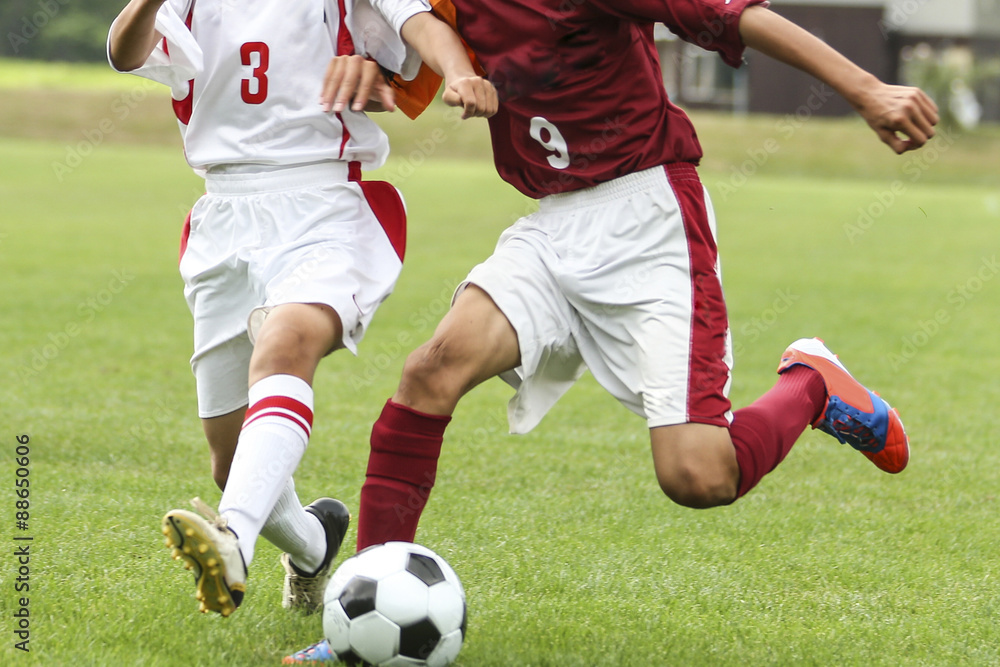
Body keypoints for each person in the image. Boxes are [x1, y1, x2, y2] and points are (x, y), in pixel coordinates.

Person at [286, 0, 939, 658]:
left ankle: (814, 385)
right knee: (431, 370)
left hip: (649, 219)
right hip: (554, 224)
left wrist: (869, 88)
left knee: (698, 475)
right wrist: (364, 70)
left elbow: (736, 16)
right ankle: (357, 617)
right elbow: (401, 47)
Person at [107, 0, 497, 617]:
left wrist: (459, 71)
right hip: (224, 213)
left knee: (286, 343)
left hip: (324, 203)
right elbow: (124, 53)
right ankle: (314, 544)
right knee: (230, 459)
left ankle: (232, 538)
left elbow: (419, 22)